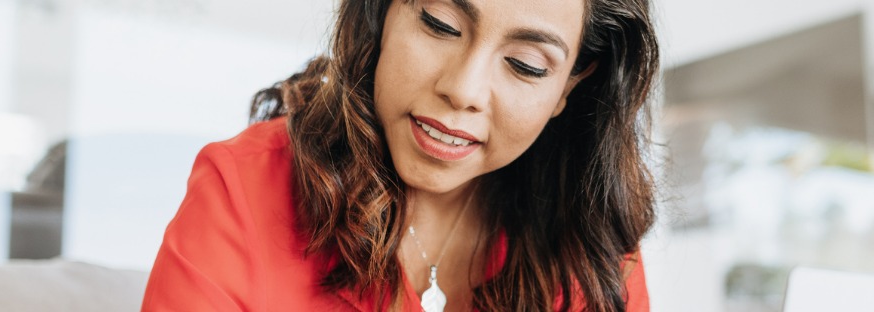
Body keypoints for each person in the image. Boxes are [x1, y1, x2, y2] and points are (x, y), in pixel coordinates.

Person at [140, 0, 660, 310]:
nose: (463, 89)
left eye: (525, 65)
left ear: (571, 85)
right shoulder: (241, 191)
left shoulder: (595, 247)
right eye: (439, 23)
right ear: (383, 13)